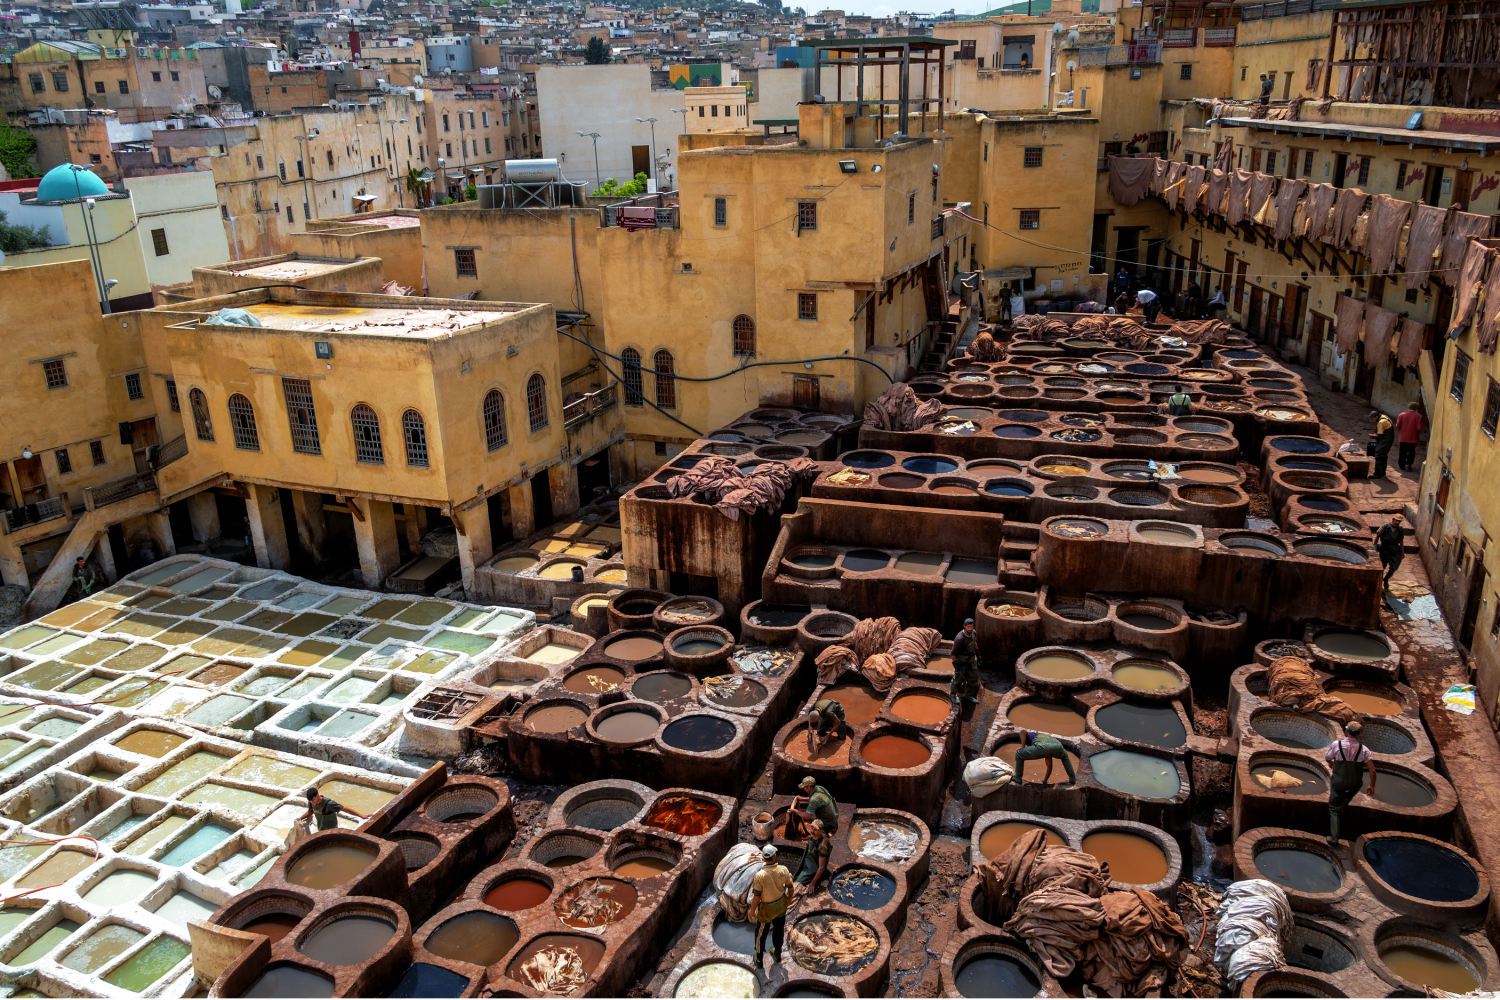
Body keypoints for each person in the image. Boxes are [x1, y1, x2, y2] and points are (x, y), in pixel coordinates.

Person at [1325, 721, 1376, 846]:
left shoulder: (1337, 745)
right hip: (1355, 783)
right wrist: (1372, 786)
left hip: (1339, 782)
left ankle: (1334, 838)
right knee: (1345, 799)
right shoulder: (1364, 750)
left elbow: (1327, 757)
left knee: (1334, 808)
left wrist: (1331, 763)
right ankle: (1341, 808)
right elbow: (1372, 769)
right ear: (1359, 734)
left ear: (1346, 731)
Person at [750, 844, 793, 969]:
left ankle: (759, 959)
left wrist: (751, 911)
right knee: (779, 930)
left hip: (766, 909)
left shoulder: (760, 875)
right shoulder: (783, 870)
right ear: (775, 856)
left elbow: (757, 898)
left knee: (761, 933)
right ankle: (777, 954)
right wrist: (789, 900)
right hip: (781, 906)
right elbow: (790, 888)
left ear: (763, 858)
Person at [1010, 730, 1077, 786]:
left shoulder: (1031, 735)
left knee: (1019, 753)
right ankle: (1072, 779)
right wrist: (1045, 780)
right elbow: (1049, 767)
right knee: (1065, 757)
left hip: (1042, 746)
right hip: (1058, 746)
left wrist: (1022, 746)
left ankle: (1018, 778)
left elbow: (1022, 731)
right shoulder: (1046, 737)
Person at [787, 775, 839, 839]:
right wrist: (802, 799)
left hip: (828, 823)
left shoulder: (814, 799)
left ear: (809, 787)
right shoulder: (819, 788)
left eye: (805, 787)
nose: (804, 789)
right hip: (834, 817)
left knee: (814, 836)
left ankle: (821, 834)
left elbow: (807, 816)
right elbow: (815, 799)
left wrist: (795, 811)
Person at [791, 818, 832, 896]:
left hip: (812, 871)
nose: (812, 831)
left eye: (815, 829)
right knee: (794, 877)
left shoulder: (822, 845)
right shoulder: (814, 834)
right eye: (812, 827)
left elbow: (821, 867)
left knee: (795, 887)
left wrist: (812, 883)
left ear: (821, 831)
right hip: (807, 863)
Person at [950, 617, 981, 706]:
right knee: (957, 679)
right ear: (964, 626)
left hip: (971, 658)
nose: (970, 629)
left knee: (974, 678)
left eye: (972, 626)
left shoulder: (973, 633)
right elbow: (953, 653)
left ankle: (968, 695)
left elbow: (974, 643)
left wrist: (978, 655)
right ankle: (952, 695)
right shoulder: (959, 638)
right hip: (961, 660)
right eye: (968, 627)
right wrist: (956, 667)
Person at [1376, 514, 1404, 589]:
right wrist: (1375, 545)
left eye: (1399, 521)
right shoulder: (1385, 527)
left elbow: (1401, 541)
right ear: (1393, 520)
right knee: (1382, 566)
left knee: (1394, 567)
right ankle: (1378, 581)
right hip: (1385, 548)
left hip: (1395, 549)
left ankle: (1386, 579)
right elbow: (1377, 536)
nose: (1397, 522)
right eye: (1396, 520)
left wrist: (1402, 552)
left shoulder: (1401, 529)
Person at [1395, 402, 1425, 471]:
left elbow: (1397, 426)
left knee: (1402, 451)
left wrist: (1403, 430)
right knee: (1411, 451)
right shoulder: (1419, 416)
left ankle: (1402, 465)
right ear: (1415, 408)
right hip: (1413, 437)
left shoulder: (1401, 415)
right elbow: (1419, 428)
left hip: (1403, 436)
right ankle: (1408, 464)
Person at [1367, 409, 1395, 479]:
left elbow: (1380, 435)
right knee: (1383, 456)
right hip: (1388, 439)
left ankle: (1377, 474)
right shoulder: (1384, 416)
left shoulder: (1381, 422)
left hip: (1385, 440)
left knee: (1379, 455)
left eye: (1373, 418)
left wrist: (1373, 436)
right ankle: (1382, 472)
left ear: (1376, 416)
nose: (1372, 419)